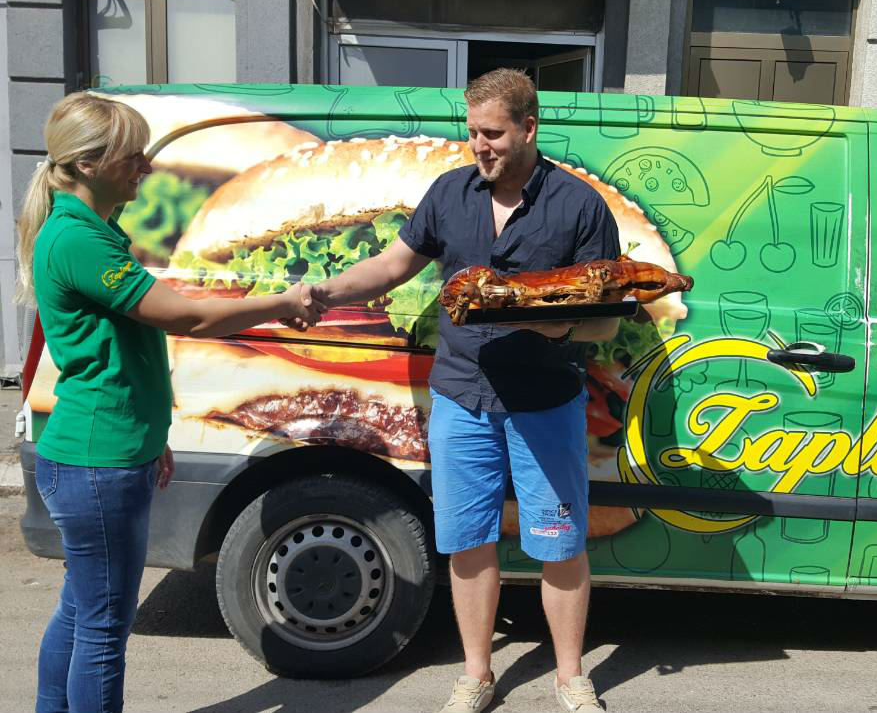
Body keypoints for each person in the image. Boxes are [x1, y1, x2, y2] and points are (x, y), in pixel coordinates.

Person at [307, 68, 618, 713]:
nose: (480, 145)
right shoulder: (449, 192)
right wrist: (322, 292)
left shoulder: (579, 205)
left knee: (560, 543)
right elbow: (392, 265)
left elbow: (607, 320)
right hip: (460, 398)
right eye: (472, 131)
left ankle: (570, 676)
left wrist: (553, 323)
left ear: (529, 128)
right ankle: (477, 674)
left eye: (493, 133)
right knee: (469, 540)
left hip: (544, 402)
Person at [17, 92, 323, 713]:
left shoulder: (91, 230)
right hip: (97, 459)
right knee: (103, 625)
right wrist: (283, 302)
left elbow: (122, 350)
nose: (146, 166)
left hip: (101, 450)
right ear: (86, 164)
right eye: (132, 155)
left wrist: (152, 435)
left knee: (81, 609)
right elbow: (184, 316)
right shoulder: (78, 239)